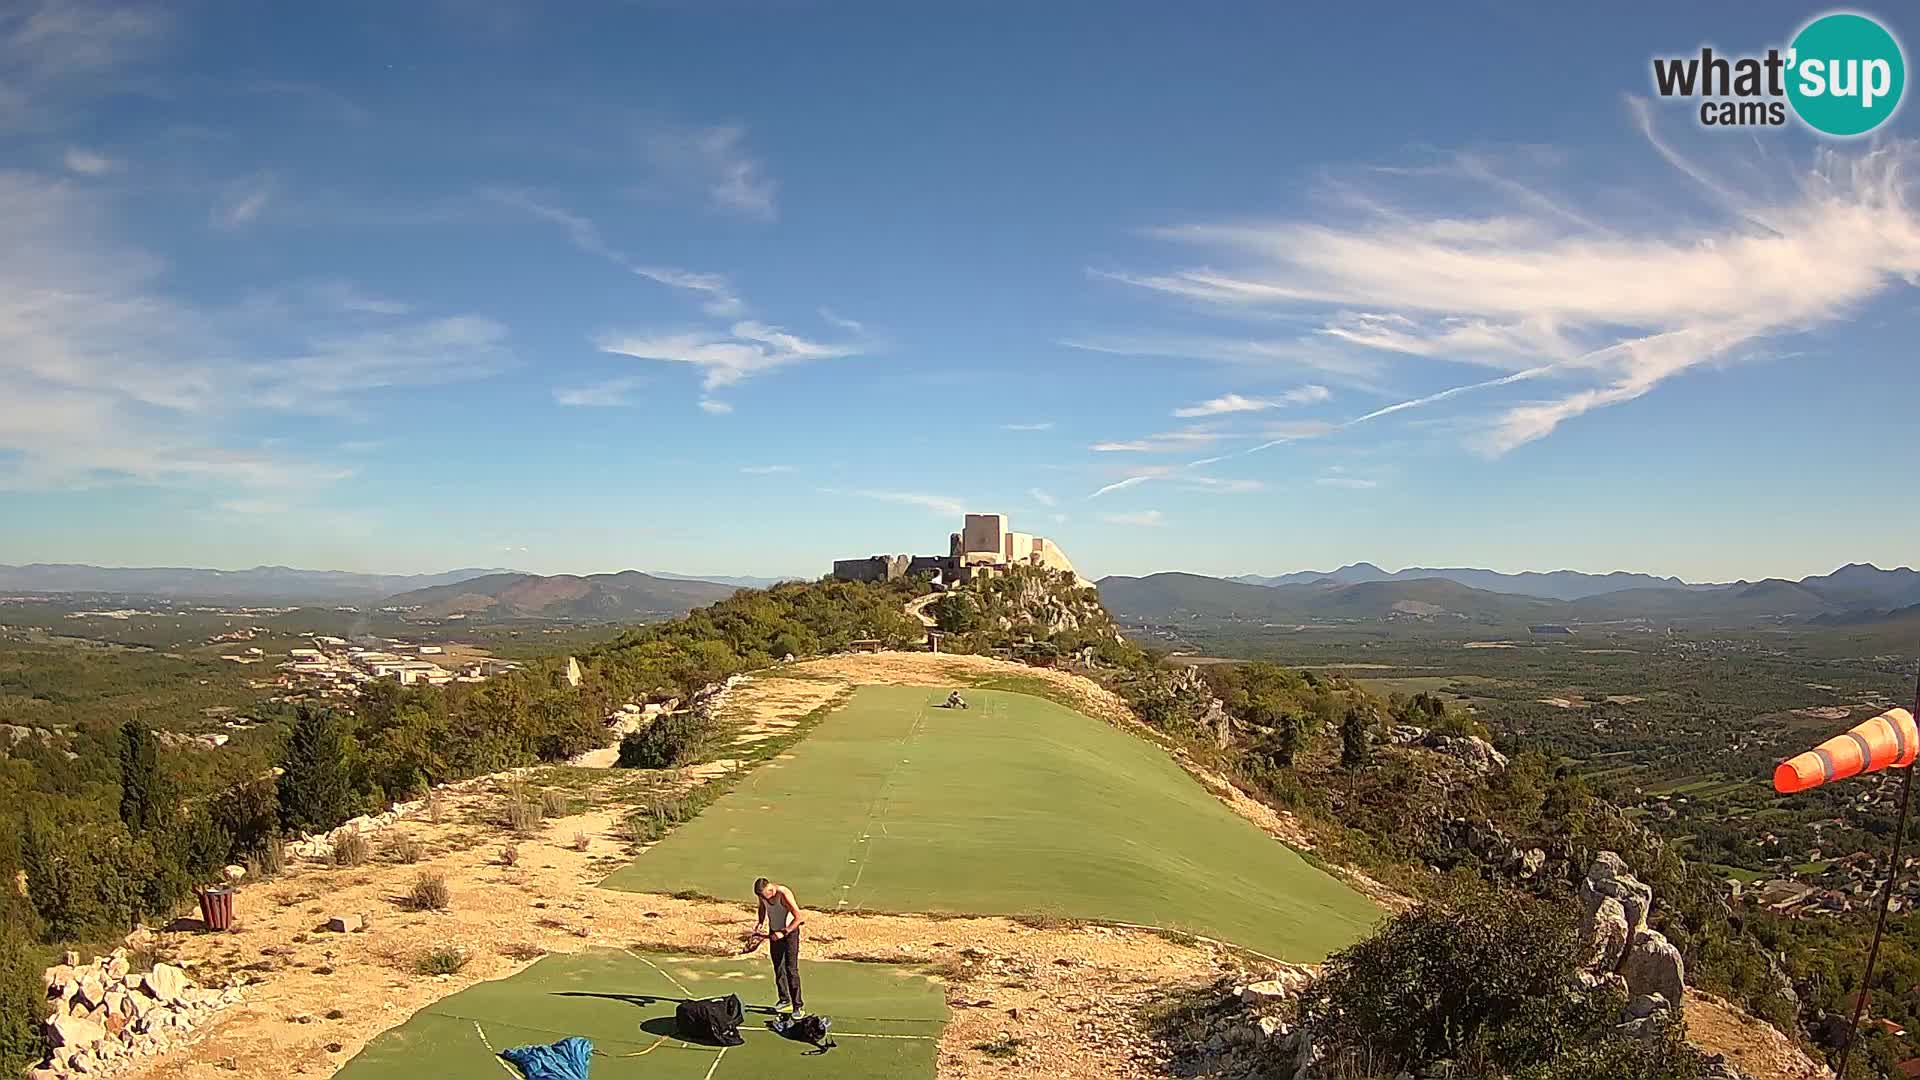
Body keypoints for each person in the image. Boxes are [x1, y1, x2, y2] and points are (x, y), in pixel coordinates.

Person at [746, 876, 805, 1016]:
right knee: (778, 966)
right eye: (761, 896)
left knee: (791, 969)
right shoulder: (763, 895)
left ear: (770, 888)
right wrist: (760, 923)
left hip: (789, 933)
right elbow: (762, 908)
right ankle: (785, 1000)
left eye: (764, 895)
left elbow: (799, 917)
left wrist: (783, 933)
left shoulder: (783, 894)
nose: (763, 898)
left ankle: (798, 1006)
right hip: (774, 931)